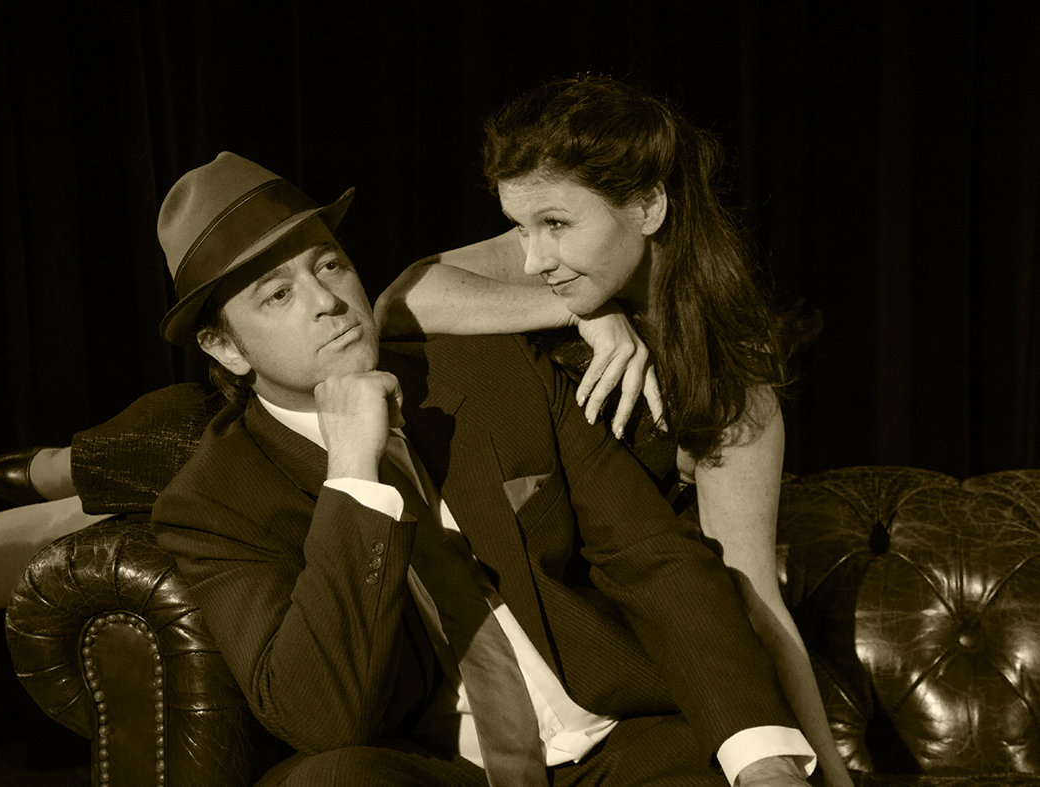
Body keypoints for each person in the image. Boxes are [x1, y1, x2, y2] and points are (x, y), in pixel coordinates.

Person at [147, 150, 816, 787]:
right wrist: (351, 476)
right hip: (440, 769)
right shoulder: (213, 502)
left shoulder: (491, 372)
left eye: (330, 265)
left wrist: (760, 756)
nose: (326, 300)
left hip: (617, 744)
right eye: (277, 295)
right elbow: (321, 718)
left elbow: (655, 559)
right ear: (226, 347)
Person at [373, 76, 850, 787]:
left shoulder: (730, 380)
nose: (532, 258)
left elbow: (750, 597)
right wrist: (581, 314)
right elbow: (398, 303)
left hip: (634, 678)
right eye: (520, 227)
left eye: (555, 225)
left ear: (648, 206)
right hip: (502, 655)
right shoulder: (557, 272)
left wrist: (828, 774)